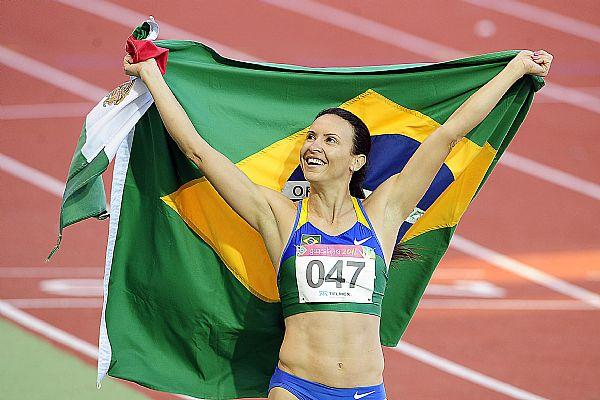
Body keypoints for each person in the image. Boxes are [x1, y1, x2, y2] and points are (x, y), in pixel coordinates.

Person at [123, 49, 552, 400]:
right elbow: (200, 154)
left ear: (357, 161)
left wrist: (515, 69)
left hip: (366, 391)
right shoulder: (279, 216)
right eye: (311, 137)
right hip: (296, 387)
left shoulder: (384, 213)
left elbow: (447, 135)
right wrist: (151, 75)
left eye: (330, 140)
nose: (314, 146)